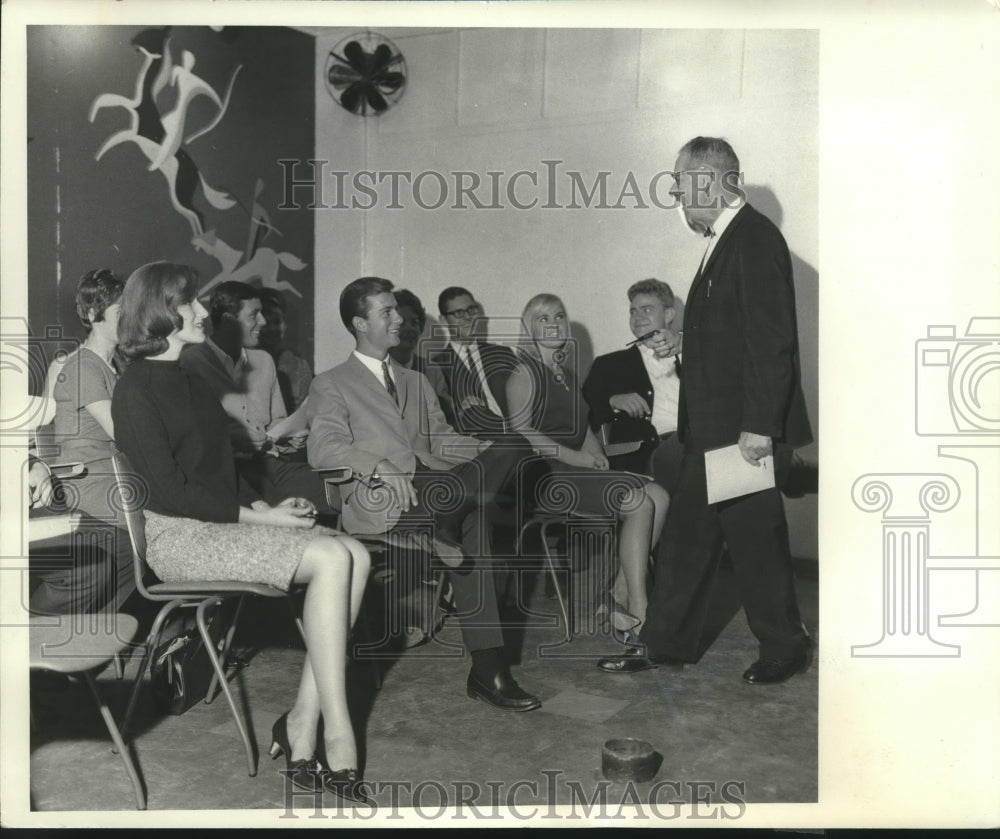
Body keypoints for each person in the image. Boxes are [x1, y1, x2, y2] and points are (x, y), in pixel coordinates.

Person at [112, 261, 372, 801]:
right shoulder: (135, 388)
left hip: (215, 523)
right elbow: (171, 493)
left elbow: (217, 473)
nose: (202, 311)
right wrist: (262, 518)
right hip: (175, 538)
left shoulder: (189, 375)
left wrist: (263, 503)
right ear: (161, 311)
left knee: (356, 554)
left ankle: (302, 719)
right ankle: (336, 732)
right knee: (331, 559)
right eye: (190, 303)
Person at [598, 137, 813, 684]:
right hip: (712, 430)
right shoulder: (727, 241)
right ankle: (665, 643)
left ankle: (786, 648)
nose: (674, 194)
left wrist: (760, 428)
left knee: (754, 542)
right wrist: (685, 348)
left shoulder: (754, 238)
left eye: (679, 182)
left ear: (710, 179)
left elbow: (772, 343)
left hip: (738, 432)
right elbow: (733, 339)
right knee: (692, 540)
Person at [306, 276, 542, 712]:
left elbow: (443, 441)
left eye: (397, 310)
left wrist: (490, 454)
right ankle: (488, 669)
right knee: (476, 518)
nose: (401, 319)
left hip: (435, 493)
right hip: (382, 500)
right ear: (360, 323)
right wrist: (376, 464)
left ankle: (447, 523)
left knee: (516, 444)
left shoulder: (416, 381)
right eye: (387, 312)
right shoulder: (331, 383)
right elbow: (323, 448)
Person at [506, 294, 670, 639]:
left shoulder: (566, 375)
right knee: (639, 502)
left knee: (659, 494)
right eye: (543, 318)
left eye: (559, 316)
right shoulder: (524, 372)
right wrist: (580, 459)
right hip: (544, 476)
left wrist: (597, 456)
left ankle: (616, 596)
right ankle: (639, 612)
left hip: (574, 471)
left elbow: (582, 428)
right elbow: (523, 434)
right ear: (528, 328)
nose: (554, 323)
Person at [179, 281, 330, 514]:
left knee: (341, 492)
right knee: (290, 510)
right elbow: (190, 437)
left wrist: (291, 436)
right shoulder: (191, 362)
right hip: (230, 473)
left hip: (271, 466)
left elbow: (276, 422)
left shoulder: (264, 360)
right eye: (254, 315)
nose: (263, 322)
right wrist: (237, 438)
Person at [34, 269, 133, 615]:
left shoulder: (114, 368)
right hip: (89, 487)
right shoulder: (82, 367)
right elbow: (126, 435)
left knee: (146, 544)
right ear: (93, 315)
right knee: (140, 543)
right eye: (122, 311)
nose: (132, 318)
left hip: (116, 484)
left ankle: (91, 643)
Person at [582, 279, 684, 491]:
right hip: (652, 452)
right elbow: (582, 413)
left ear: (669, 315)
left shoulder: (692, 356)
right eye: (633, 311)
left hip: (696, 443)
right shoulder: (610, 365)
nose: (637, 317)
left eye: (647, 309)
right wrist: (612, 401)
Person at [429, 287, 517, 439]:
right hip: (476, 445)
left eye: (471, 310)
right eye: (458, 313)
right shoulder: (435, 367)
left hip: (519, 437)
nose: (467, 317)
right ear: (443, 320)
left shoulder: (503, 354)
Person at [387, 288, 452, 415]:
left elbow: (446, 417)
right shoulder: (375, 369)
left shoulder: (432, 370)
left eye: (414, 322)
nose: (410, 329)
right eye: (401, 322)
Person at [258, 288, 313, 412]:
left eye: (278, 321)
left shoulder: (298, 367)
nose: (274, 328)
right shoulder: (235, 364)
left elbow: (303, 416)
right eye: (269, 321)